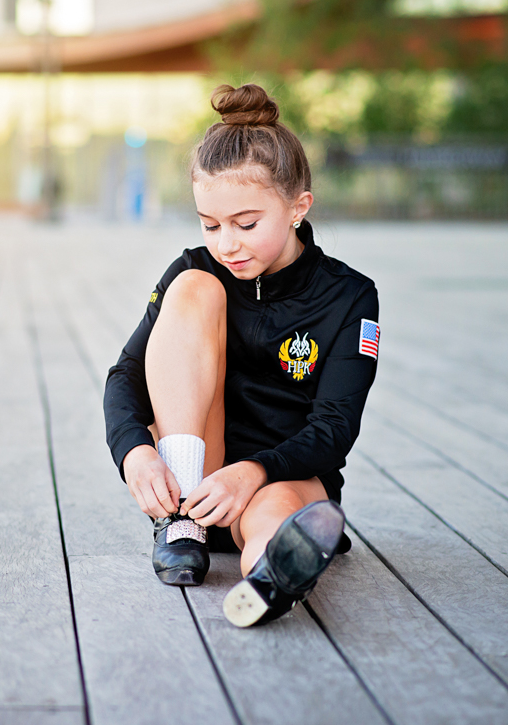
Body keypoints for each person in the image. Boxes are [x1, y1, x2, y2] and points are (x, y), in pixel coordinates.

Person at [103, 84, 380, 628]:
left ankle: (270, 578)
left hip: (281, 476)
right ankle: (181, 527)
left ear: (298, 207)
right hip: (196, 478)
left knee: (276, 518)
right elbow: (126, 375)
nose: (226, 243)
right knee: (193, 286)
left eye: (246, 224)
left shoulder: (349, 296)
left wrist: (253, 473)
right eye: (210, 224)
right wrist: (134, 451)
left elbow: (335, 427)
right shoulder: (199, 268)